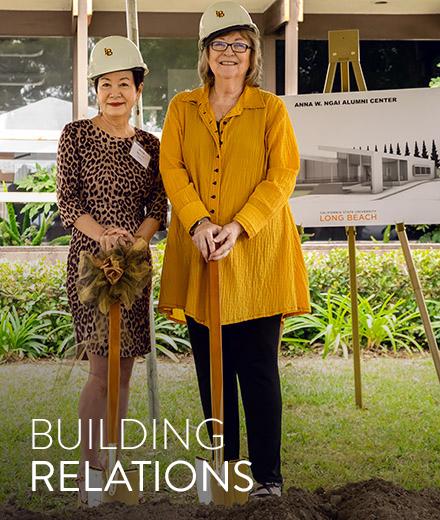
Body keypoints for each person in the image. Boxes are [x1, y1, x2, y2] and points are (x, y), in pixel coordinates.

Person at [159, 1, 310, 499]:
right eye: (219, 44)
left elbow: (282, 174)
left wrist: (239, 226)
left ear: (252, 55)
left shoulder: (271, 110)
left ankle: (268, 478)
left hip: (258, 255)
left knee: (259, 371)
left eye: (239, 45)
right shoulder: (182, 107)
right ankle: (225, 470)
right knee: (212, 371)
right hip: (201, 252)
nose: (229, 53)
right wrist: (200, 221)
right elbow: (173, 169)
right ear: (205, 53)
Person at [56, 36, 167, 503]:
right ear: (95, 90)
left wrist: (138, 240)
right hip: (91, 264)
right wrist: (102, 234)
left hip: (134, 267)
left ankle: (115, 463)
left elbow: (159, 202)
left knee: (124, 372)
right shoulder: (76, 134)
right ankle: (90, 470)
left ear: (139, 90)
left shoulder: (149, 144)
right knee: (101, 372)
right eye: (106, 84)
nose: (115, 92)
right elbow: (67, 200)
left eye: (125, 83)